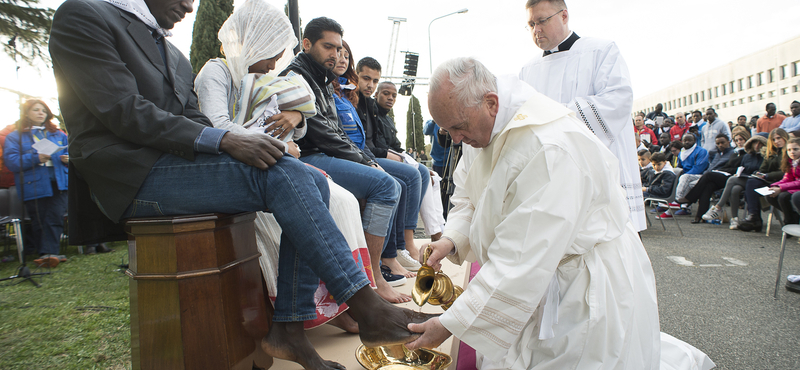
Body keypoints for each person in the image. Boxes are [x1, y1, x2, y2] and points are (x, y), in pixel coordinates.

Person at [49, 1, 434, 369]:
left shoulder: (168, 48)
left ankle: (289, 328)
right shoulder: (84, 15)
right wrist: (228, 141)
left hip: (173, 163)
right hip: (133, 175)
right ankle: (367, 308)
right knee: (287, 175)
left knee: (308, 180)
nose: (189, 7)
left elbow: (192, 117)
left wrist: (254, 143)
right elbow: (124, 111)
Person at [407, 57, 714, 370]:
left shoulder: (547, 145)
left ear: (491, 102)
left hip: (578, 285)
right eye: (447, 131)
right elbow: (470, 196)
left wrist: (450, 324)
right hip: (537, 275)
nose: (456, 140)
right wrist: (451, 241)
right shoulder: (482, 124)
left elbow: (521, 258)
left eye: (458, 128)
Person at [194, 0, 372, 333]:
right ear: (255, 42)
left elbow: (293, 124)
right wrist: (278, 144)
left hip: (275, 160)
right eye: (273, 51)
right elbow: (217, 125)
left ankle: (343, 301)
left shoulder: (263, 79)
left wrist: (297, 115)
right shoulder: (216, 72)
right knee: (304, 204)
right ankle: (310, 310)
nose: (277, 60)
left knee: (343, 201)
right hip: (241, 167)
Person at [279, 17, 415, 302]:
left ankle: (381, 264)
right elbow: (323, 134)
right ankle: (374, 277)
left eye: (339, 48)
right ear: (306, 44)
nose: (336, 54)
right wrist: (367, 162)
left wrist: (365, 159)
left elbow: (338, 131)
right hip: (311, 157)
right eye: (328, 47)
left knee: (396, 182)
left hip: (327, 153)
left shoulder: (323, 78)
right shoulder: (296, 77)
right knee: (387, 186)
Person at [518, 0, 645, 232]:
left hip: (595, 167)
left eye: (542, 21)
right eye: (531, 24)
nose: (536, 30)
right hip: (550, 173)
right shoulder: (527, 70)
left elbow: (617, 99)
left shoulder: (601, 50)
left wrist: (557, 117)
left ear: (564, 15)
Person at [330, 41, 426, 277]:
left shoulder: (354, 98)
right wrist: (372, 160)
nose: (370, 85)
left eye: (344, 56)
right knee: (400, 180)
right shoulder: (341, 95)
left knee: (418, 174)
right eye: (366, 79)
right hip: (339, 155)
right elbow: (344, 139)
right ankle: (386, 259)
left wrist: (379, 157)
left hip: (358, 154)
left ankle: (400, 249)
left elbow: (370, 141)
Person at [4, 99, 68, 268]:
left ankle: (49, 254)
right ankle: (46, 253)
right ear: (26, 113)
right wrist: (35, 158)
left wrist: (68, 159)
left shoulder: (59, 134)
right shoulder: (15, 137)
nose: (41, 113)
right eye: (36, 110)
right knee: (39, 219)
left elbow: (72, 152)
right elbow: (11, 162)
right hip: (33, 184)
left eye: (44, 110)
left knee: (54, 216)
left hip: (58, 181)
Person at [682, 132, 749, 224]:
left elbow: (741, 168)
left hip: (735, 178)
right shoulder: (735, 152)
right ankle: (700, 216)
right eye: (737, 140)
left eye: (741, 139)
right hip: (724, 175)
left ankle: (691, 198)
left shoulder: (745, 153)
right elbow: (727, 166)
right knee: (708, 186)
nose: (739, 142)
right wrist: (720, 170)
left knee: (708, 175)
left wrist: (724, 170)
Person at [738, 128, 789, 232]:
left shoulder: (789, 151)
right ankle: (754, 216)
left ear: (784, 137)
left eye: (779, 138)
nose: (776, 141)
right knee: (752, 181)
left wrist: (767, 175)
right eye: (774, 139)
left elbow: (785, 172)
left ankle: (754, 218)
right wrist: (760, 174)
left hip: (783, 180)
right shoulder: (770, 152)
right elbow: (763, 169)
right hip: (769, 180)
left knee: (749, 184)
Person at [764, 137, 800, 225]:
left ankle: (788, 221)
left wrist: (780, 188)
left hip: (797, 188)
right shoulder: (790, 161)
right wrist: (774, 186)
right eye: (789, 150)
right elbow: (787, 178)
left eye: (795, 149)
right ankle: (792, 216)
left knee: (783, 196)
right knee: (770, 195)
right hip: (794, 187)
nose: (792, 152)